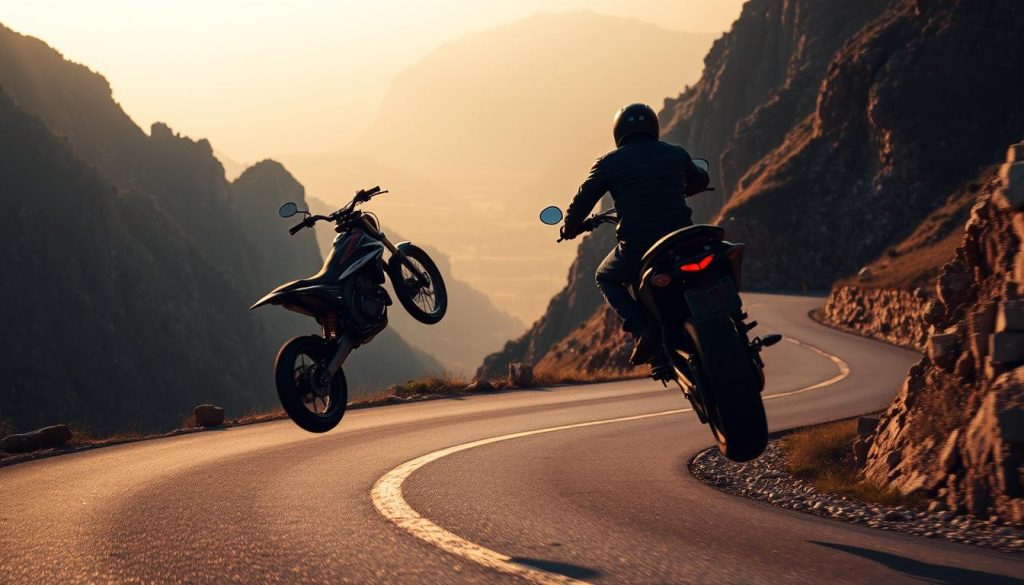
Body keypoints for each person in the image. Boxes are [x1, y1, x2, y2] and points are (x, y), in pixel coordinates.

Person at [560, 103, 709, 368]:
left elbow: (582, 201)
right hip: (681, 240)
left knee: (604, 276)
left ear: (618, 133)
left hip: (638, 247)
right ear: (654, 127)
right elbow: (699, 180)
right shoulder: (676, 154)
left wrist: (569, 228)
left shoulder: (609, 163)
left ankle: (642, 330)